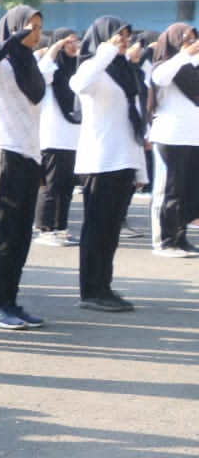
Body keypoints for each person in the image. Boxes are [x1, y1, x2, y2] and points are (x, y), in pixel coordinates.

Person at [0, 5, 48, 330]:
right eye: (29, 28)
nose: (35, 34)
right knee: (3, 233)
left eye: (38, 28)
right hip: (4, 153)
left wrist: (40, 158)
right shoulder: (2, 64)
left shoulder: (30, 64)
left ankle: (10, 301)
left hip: (29, 155)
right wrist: (8, 42)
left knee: (21, 236)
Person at [71, 17, 147, 310]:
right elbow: (78, 83)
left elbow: (133, 121)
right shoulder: (95, 69)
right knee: (97, 230)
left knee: (111, 231)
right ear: (103, 38)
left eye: (127, 37)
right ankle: (91, 291)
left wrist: (138, 165)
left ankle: (104, 286)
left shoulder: (124, 70)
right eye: (119, 36)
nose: (124, 42)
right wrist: (105, 51)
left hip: (123, 158)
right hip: (101, 161)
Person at [148, 24, 199, 257]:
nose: (190, 43)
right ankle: (164, 241)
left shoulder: (190, 67)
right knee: (169, 191)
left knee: (187, 191)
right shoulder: (164, 65)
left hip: (192, 137)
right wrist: (184, 55)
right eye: (186, 39)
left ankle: (180, 237)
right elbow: (160, 78)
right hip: (171, 135)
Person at [34, 29, 82, 246]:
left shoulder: (77, 68)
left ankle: (61, 228)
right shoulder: (53, 69)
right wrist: (54, 48)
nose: (74, 46)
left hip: (72, 137)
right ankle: (45, 228)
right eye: (68, 42)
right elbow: (42, 70)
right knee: (51, 186)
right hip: (53, 136)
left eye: (76, 41)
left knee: (66, 188)